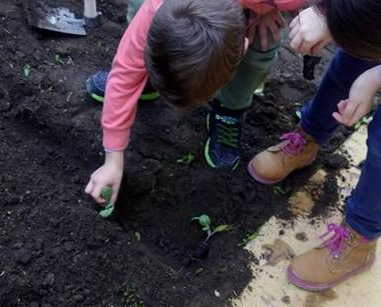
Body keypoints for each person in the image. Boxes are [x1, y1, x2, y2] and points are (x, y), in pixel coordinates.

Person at [248, 1, 381, 291]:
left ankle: (362, 236)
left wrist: (377, 78)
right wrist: (328, 12)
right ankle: (308, 138)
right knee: (348, 66)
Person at [85, 0, 306, 205]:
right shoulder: (157, 7)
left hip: (255, 12)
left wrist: (266, 9)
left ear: (242, 47)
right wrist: (113, 159)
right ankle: (153, 76)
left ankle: (229, 110)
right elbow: (124, 75)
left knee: (265, 42)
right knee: (140, 12)